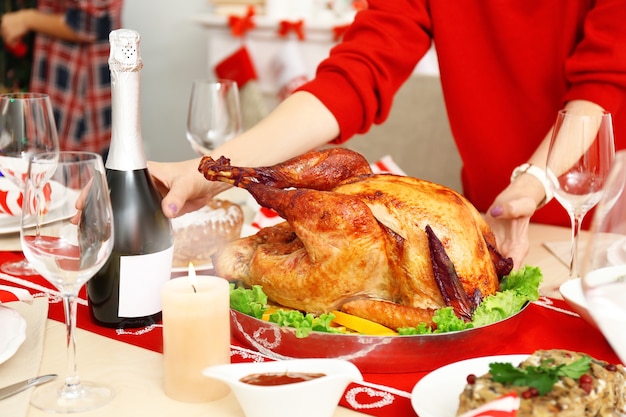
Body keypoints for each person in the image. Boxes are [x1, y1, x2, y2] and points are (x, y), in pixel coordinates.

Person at [149, 0, 626, 270]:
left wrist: (534, 180)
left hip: (601, 212)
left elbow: (604, 81)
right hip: (494, 216)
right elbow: (355, 76)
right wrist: (210, 172)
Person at [0, 0, 124, 158]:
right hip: (61, 82)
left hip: (79, 90)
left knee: (77, 173)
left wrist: (26, 19)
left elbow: (91, 23)